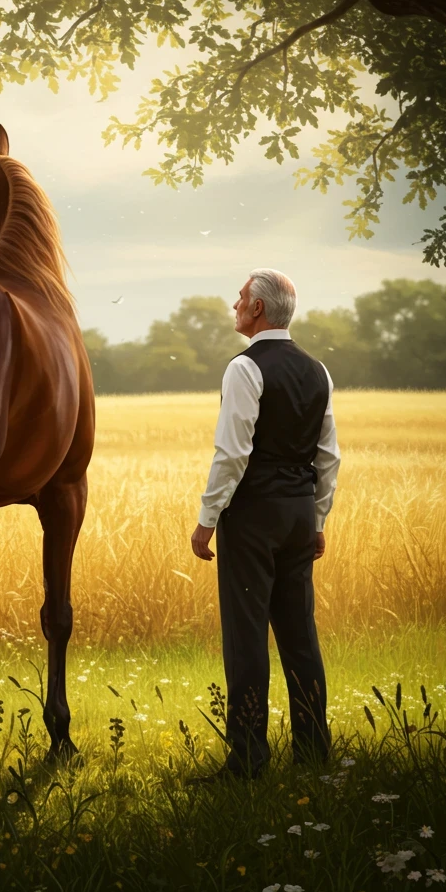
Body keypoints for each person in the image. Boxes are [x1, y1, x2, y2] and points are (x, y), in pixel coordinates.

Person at [189, 268, 341, 781]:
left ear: (257, 310)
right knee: (300, 634)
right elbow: (328, 456)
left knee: (247, 636)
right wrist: (317, 517)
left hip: (253, 516)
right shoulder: (318, 371)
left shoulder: (244, 369)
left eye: (240, 298)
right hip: (300, 514)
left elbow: (232, 453)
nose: (234, 304)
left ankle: (248, 760)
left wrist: (207, 520)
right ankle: (314, 753)